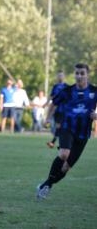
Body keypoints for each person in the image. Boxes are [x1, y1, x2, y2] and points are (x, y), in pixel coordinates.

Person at [36, 63, 97, 200]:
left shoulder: (94, 91)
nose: (79, 76)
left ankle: (46, 185)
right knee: (64, 154)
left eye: (82, 73)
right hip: (67, 128)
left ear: (87, 75)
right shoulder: (67, 91)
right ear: (74, 74)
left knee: (65, 168)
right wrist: (47, 118)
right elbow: (53, 103)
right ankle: (46, 186)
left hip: (83, 134)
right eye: (77, 73)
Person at [47, 71, 67, 148]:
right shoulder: (55, 87)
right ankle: (58, 143)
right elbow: (51, 96)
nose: (60, 77)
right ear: (57, 77)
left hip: (65, 110)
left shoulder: (67, 87)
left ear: (64, 77)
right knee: (59, 127)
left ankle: (54, 142)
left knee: (60, 127)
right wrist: (46, 103)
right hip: (57, 110)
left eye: (61, 75)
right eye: (59, 76)